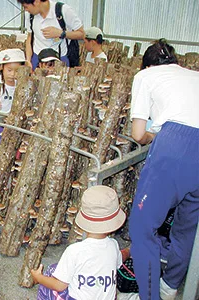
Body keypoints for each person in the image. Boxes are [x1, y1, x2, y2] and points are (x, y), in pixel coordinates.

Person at [129, 39, 199, 300]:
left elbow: (138, 133)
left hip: (176, 146)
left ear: (147, 64)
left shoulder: (146, 75)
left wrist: (152, 137)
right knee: (186, 227)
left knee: (141, 228)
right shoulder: (193, 75)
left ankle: (149, 296)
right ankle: (169, 287)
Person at [31, 185, 127, 300]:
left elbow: (59, 286)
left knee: (51, 272)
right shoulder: (113, 245)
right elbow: (120, 257)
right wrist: (130, 251)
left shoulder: (75, 251)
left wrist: (38, 277)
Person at [18, 0, 84, 69]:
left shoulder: (63, 10)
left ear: (37, 2)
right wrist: (28, 60)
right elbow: (29, 37)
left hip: (59, 59)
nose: (26, 10)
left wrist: (61, 33)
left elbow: (81, 34)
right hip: (37, 58)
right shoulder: (30, 15)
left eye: (26, 7)